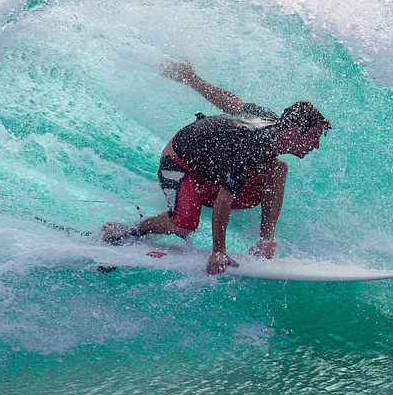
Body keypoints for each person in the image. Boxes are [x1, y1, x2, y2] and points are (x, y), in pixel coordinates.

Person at [101, 60, 330, 275]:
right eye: (313, 136)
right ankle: (132, 229)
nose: (316, 145)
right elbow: (223, 201)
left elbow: (231, 102)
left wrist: (192, 78)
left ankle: (265, 241)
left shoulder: (268, 119)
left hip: (212, 172)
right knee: (182, 226)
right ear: (292, 129)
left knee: (278, 169)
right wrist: (218, 251)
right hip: (181, 164)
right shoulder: (250, 145)